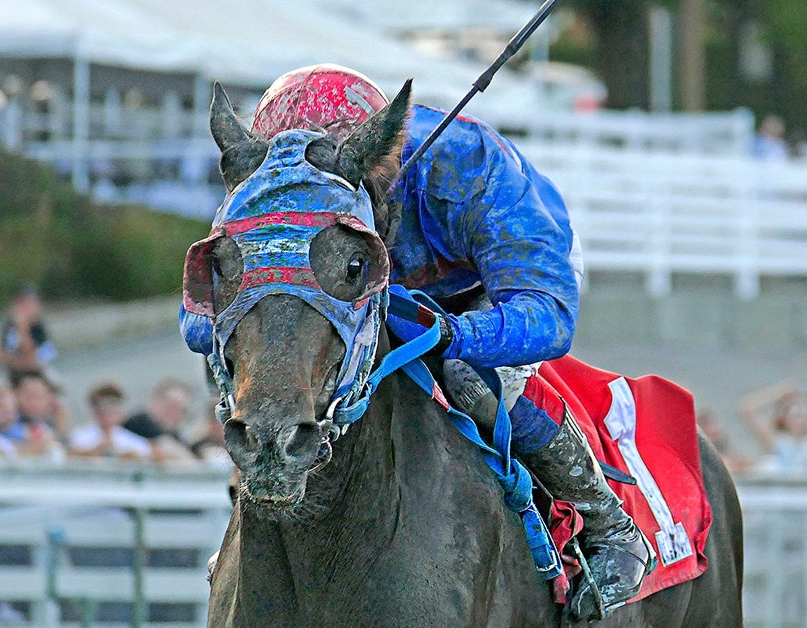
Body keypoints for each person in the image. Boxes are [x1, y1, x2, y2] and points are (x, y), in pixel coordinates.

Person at [185, 63, 652, 617]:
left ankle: (606, 524)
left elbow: (547, 317)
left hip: (492, 285)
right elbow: (200, 320)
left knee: (471, 377)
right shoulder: (269, 197)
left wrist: (452, 333)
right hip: (356, 282)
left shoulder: (469, 167)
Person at [739, 381, 807, 474]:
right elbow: (747, 409)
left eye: (804, 415)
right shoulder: (775, 440)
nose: (801, 421)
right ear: (784, 419)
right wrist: (779, 394)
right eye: (796, 415)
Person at [69, 383, 151, 461]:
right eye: (101, 406)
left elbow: (147, 454)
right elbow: (70, 454)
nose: (107, 412)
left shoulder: (131, 439)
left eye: (113, 405)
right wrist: (97, 451)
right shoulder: (79, 435)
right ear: (93, 409)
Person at [123, 378, 198, 464]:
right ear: (155, 400)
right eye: (169, 405)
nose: (172, 412)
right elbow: (167, 446)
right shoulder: (138, 423)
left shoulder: (175, 435)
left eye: (180, 409)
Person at [0, 284, 57, 372]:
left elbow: (33, 359)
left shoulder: (38, 327)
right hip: (15, 373)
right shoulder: (8, 327)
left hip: (40, 372)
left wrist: (22, 328)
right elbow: (2, 355)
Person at [10, 370, 66, 440]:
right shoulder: (11, 420)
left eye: (41, 396)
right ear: (15, 394)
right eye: (32, 396)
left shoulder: (44, 421)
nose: (34, 402)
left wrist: (60, 421)